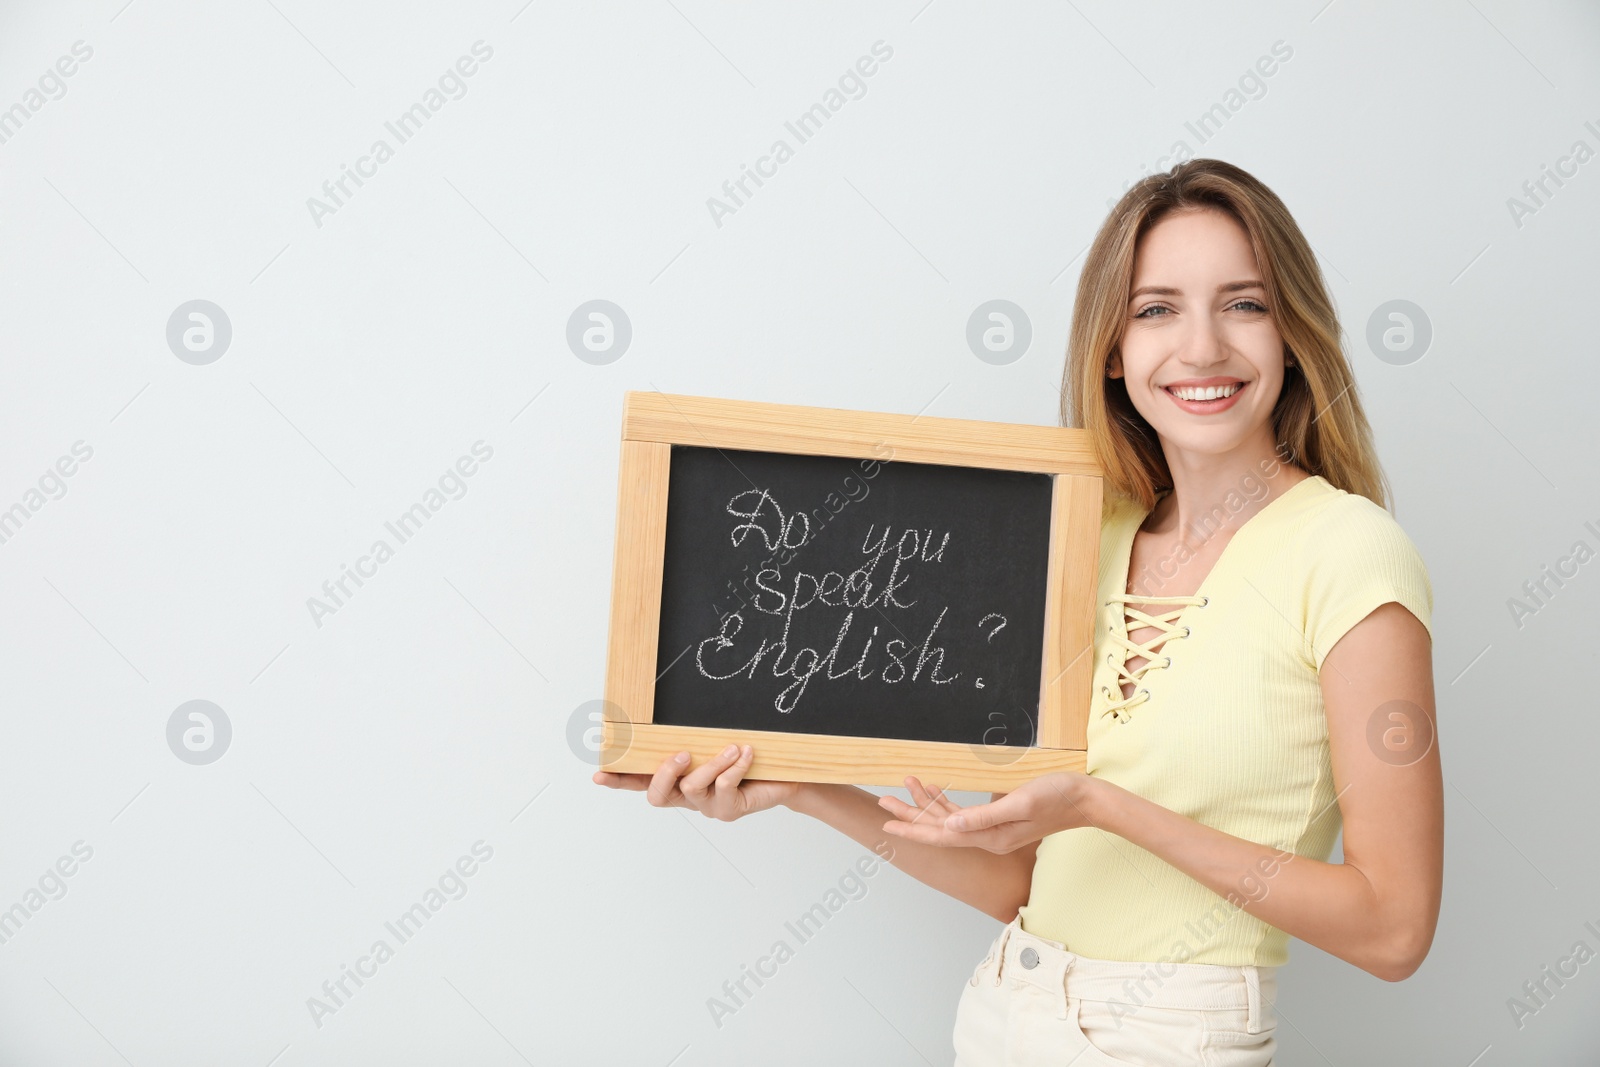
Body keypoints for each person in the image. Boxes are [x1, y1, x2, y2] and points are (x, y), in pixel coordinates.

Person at [593, 157, 1441, 1066]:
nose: (1201, 348)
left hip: (1174, 1034)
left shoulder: (1350, 552)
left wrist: (1104, 805)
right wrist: (803, 786)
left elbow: (1394, 929)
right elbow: (1016, 880)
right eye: (1156, 308)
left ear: (1293, 332)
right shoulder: (1081, 534)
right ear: (1112, 350)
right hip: (1009, 1008)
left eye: (1244, 303)